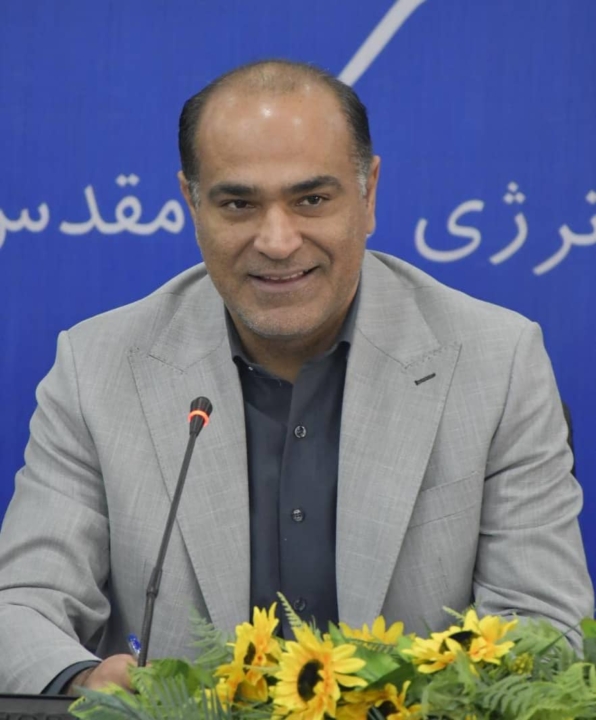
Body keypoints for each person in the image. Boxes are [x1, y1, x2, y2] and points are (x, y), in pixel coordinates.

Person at [0, 59, 592, 695]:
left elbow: (544, 628)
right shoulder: (97, 368)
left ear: (368, 195)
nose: (277, 241)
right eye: (238, 204)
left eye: (311, 200)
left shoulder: (497, 363)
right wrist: (83, 681)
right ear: (192, 205)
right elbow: (21, 609)